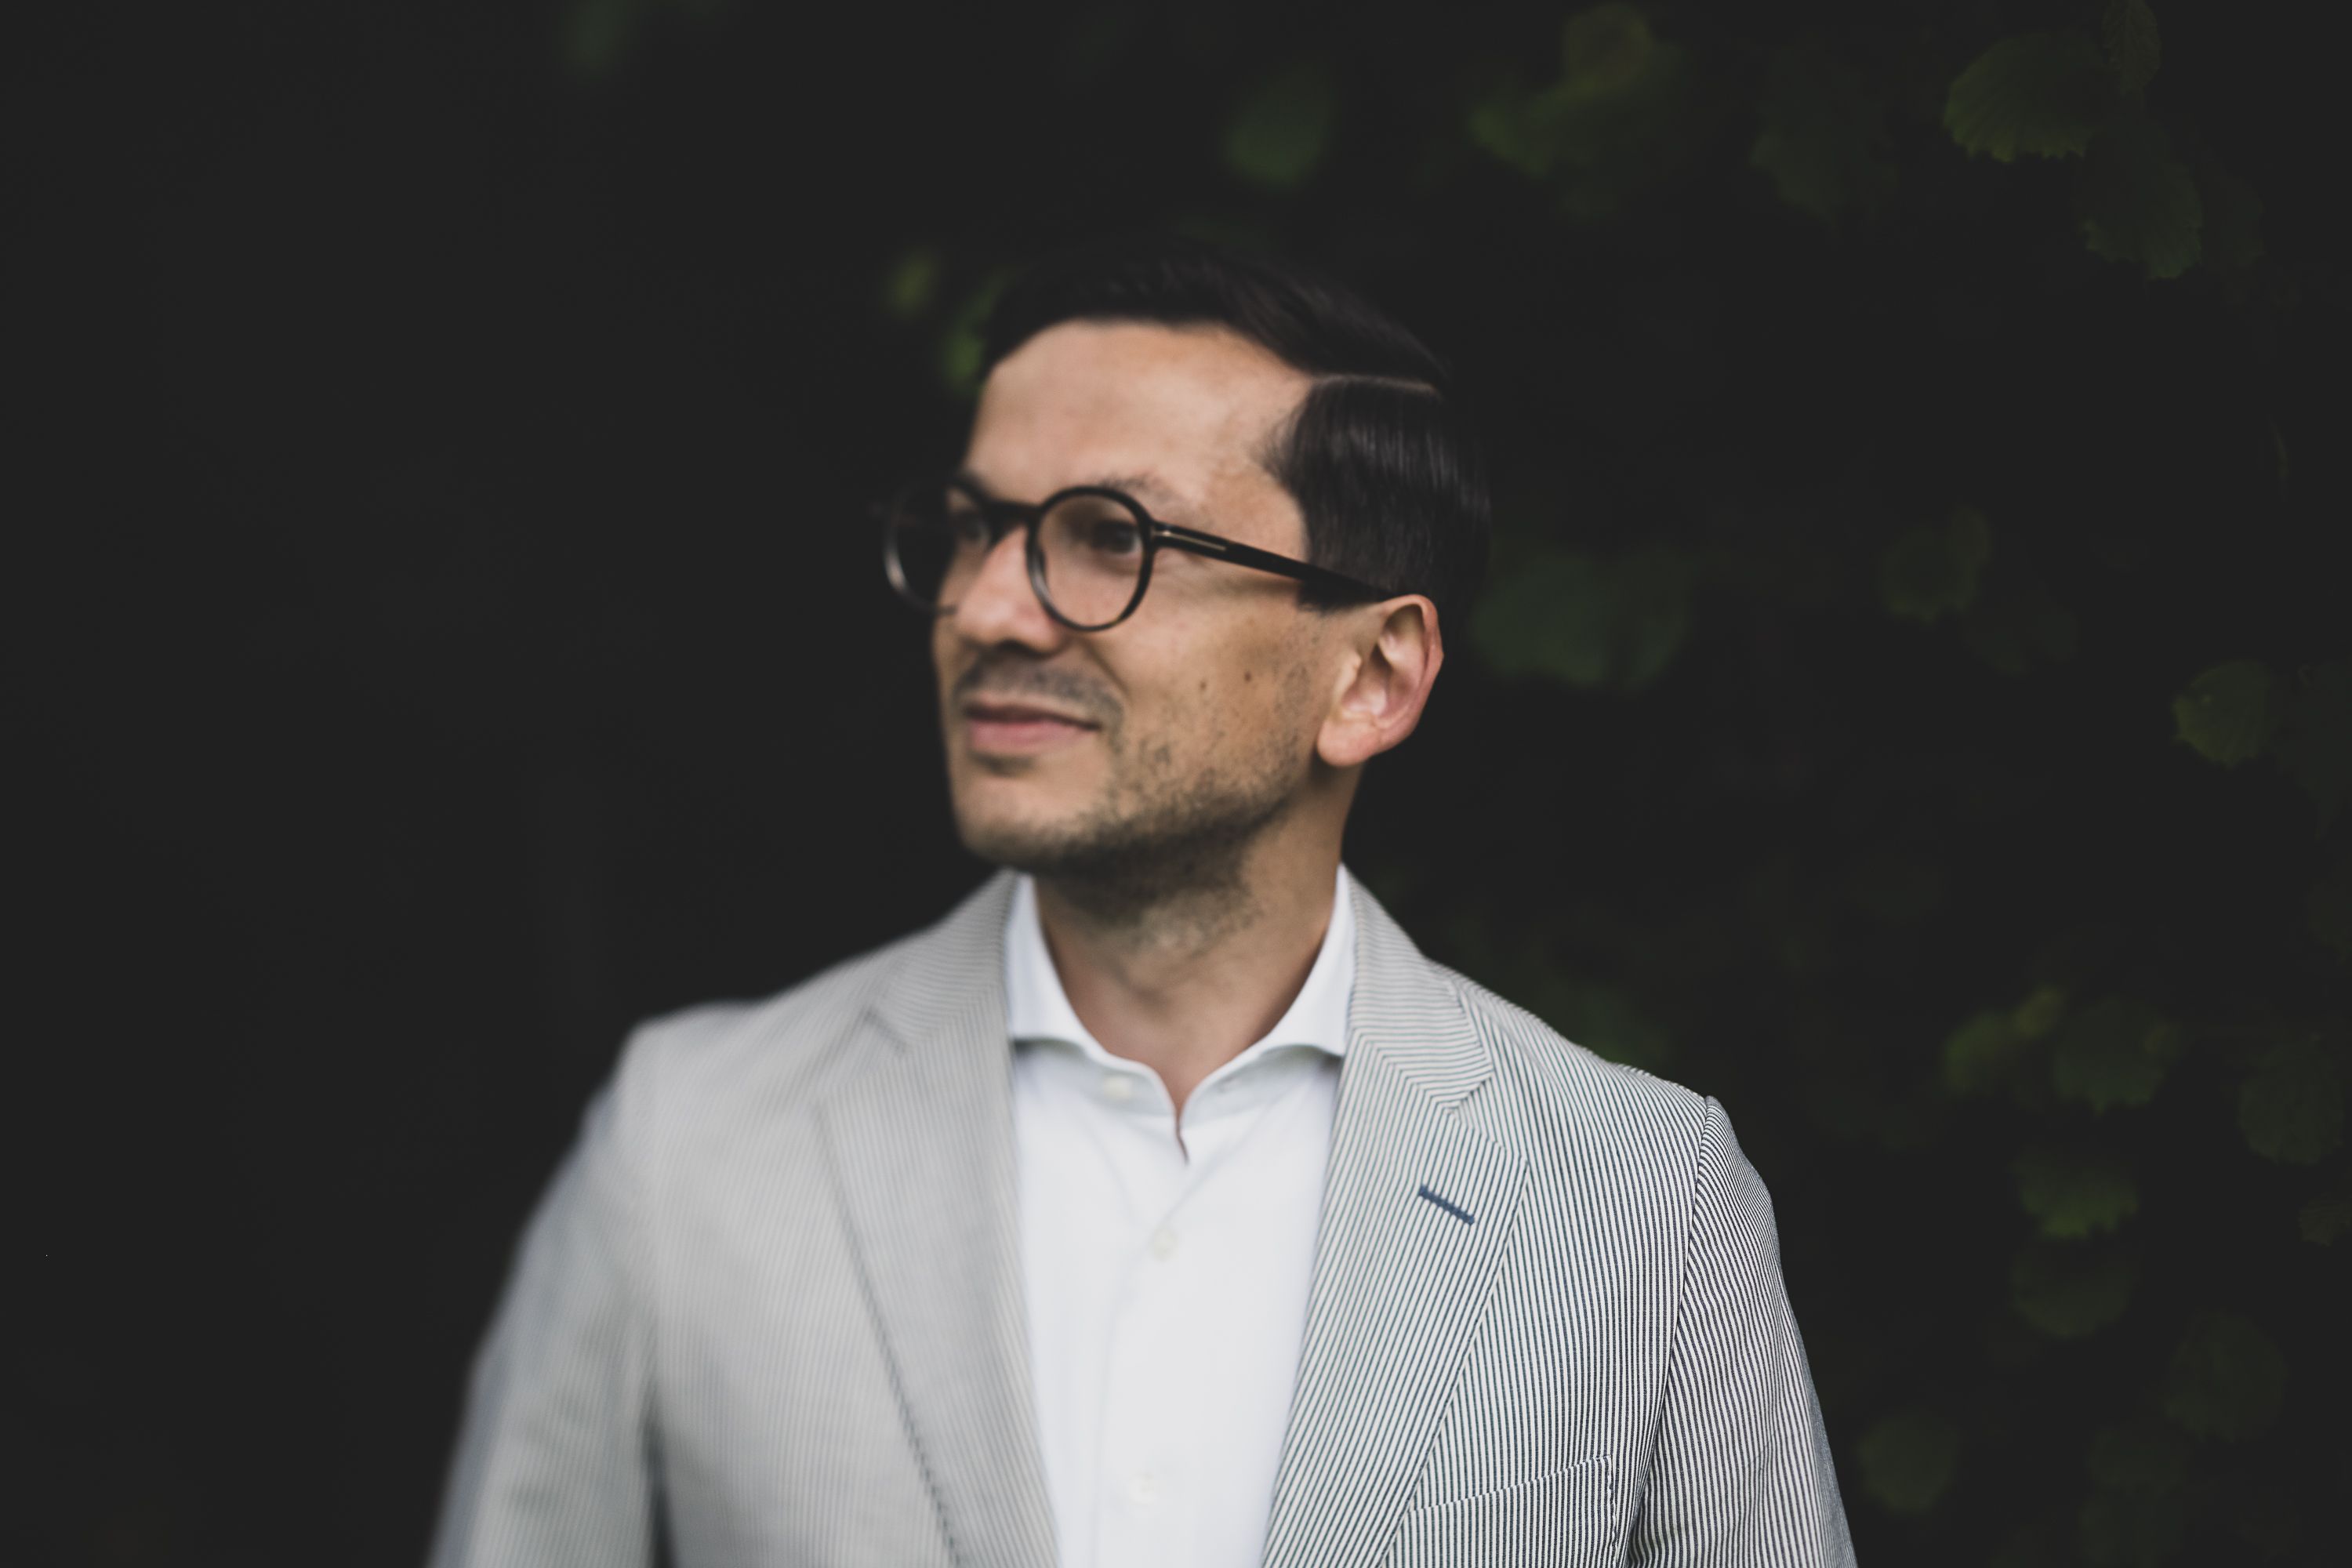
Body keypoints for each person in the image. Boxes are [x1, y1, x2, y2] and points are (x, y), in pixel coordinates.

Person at [429, 237, 1855, 1567]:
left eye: (1112, 537)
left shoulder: (1648, 1207)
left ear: (1371, 678)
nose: (988, 610)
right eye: (975, 529)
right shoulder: (687, 1147)